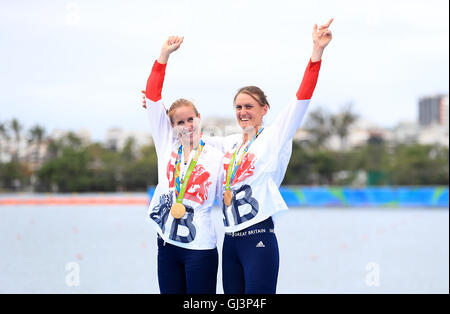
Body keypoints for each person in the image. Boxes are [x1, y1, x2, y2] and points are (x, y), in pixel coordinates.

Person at [204, 18, 334, 294]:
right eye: (238, 107)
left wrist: (316, 52)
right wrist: (158, 108)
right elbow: (188, 135)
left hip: (258, 238)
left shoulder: (276, 136)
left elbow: (302, 98)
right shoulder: (229, 144)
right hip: (230, 241)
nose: (242, 112)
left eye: (249, 106)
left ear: (265, 109)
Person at [143, 36, 224, 294]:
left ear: (199, 119)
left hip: (200, 247)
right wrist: (164, 56)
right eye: (180, 122)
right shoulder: (166, 144)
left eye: (191, 119)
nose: (188, 126)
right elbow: (154, 98)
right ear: (172, 126)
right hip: (167, 245)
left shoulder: (215, 152)